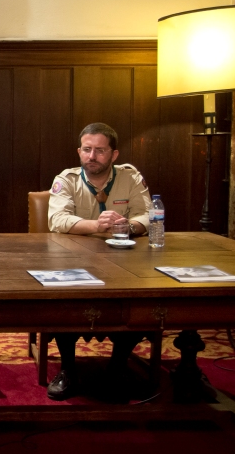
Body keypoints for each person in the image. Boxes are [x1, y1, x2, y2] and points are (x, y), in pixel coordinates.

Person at [45, 122, 152, 401]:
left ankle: (117, 368)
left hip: (124, 260)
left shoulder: (130, 178)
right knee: (60, 303)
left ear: (114, 155)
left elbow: (148, 215)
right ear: (79, 151)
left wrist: (128, 225)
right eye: (87, 150)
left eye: (100, 151)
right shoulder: (67, 179)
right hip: (73, 259)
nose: (92, 156)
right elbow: (57, 220)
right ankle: (68, 369)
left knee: (141, 301)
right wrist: (97, 224)